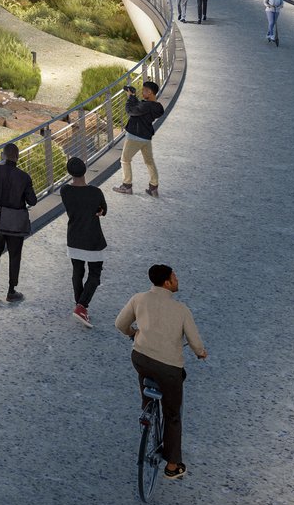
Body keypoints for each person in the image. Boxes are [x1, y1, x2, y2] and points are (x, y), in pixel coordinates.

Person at [115, 264, 207, 482]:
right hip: (169, 368)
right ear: (167, 282)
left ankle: (146, 410)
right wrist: (201, 353)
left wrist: (134, 333)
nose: (177, 280)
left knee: (147, 373)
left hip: (140, 359)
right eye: (174, 277)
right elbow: (194, 341)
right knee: (172, 414)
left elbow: (120, 324)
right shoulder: (181, 310)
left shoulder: (139, 298)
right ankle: (173, 465)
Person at [0, 142, 36, 304]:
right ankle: (11, 291)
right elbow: (32, 200)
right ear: (17, 157)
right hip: (16, 224)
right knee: (15, 256)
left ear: (3, 156)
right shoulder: (24, 177)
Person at [60, 155, 107, 326]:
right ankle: (82, 306)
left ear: (69, 173)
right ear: (85, 170)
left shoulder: (64, 191)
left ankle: (79, 305)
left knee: (77, 272)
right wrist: (100, 211)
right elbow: (103, 209)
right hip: (93, 239)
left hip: (74, 238)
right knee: (95, 275)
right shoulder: (95, 192)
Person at [115, 80, 163, 196]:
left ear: (150, 92)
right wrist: (133, 97)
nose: (142, 92)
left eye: (144, 91)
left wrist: (130, 98)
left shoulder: (146, 106)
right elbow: (139, 108)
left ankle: (127, 186)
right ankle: (153, 187)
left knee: (125, 160)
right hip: (146, 138)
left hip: (135, 136)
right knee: (149, 161)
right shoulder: (156, 106)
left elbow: (131, 111)